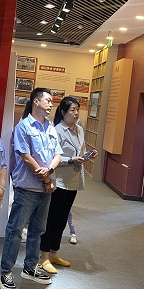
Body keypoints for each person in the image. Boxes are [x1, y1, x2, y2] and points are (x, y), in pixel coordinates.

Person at [0, 88, 62, 289]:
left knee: (38, 230)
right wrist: (46, 179)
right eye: (48, 100)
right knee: (15, 230)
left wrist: (49, 171)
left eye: (52, 101)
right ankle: (5, 272)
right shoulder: (23, 127)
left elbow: (58, 154)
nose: (51, 104)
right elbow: (26, 157)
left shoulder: (50, 127)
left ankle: (30, 266)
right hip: (28, 187)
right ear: (36, 101)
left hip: (46, 188)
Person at [39, 97, 96, 274]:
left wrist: (86, 156)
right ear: (63, 112)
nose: (76, 113)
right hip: (59, 180)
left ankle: (54, 252)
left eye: (77, 109)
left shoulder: (79, 129)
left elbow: (80, 150)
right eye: (72, 110)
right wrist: (70, 159)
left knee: (62, 218)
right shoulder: (57, 130)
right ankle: (44, 256)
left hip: (73, 180)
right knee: (52, 219)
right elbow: (52, 157)